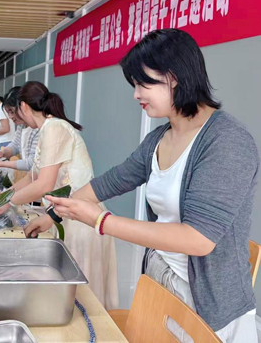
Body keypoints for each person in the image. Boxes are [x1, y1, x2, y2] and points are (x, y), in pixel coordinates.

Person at [25, 29, 258, 342]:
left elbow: (198, 240)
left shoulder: (227, 142)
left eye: (142, 83)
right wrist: (53, 215)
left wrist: (101, 221)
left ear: (174, 77)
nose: (136, 94)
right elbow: (111, 182)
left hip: (211, 307)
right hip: (163, 284)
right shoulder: (159, 138)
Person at [0, 81, 118, 309]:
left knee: (83, 301)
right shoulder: (46, 129)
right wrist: (3, 196)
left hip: (82, 219)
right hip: (65, 214)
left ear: (24, 107)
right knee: (70, 299)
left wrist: (8, 202)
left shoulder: (55, 128)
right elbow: (33, 177)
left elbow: (44, 183)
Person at [0, 87, 39, 172]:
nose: (10, 116)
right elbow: (15, 145)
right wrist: (2, 152)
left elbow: (31, 163)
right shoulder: (22, 126)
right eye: (8, 112)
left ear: (23, 107)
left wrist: (1, 164)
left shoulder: (38, 129)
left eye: (12, 112)